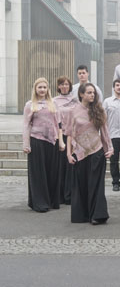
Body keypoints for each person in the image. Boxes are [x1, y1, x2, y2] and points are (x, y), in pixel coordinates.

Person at [67, 83, 113, 224]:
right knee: (81, 185)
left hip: (96, 152)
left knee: (96, 185)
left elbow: (105, 132)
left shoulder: (99, 110)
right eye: (89, 92)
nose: (92, 95)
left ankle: (97, 215)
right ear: (81, 94)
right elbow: (69, 134)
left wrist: (109, 148)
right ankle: (82, 215)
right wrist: (69, 154)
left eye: (93, 92)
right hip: (79, 153)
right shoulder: (73, 111)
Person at [23, 78, 65, 212]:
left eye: (44, 87)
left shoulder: (53, 104)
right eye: (40, 87)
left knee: (52, 172)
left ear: (48, 89)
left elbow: (59, 125)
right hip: (36, 141)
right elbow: (26, 125)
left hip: (52, 142)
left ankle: (52, 201)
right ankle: (40, 203)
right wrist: (26, 144)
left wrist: (61, 141)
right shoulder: (30, 105)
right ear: (35, 89)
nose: (42, 90)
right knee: (38, 173)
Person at [53, 76, 79, 205]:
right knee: (59, 166)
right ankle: (58, 195)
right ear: (58, 87)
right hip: (59, 135)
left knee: (70, 166)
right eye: (61, 84)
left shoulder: (75, 101)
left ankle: (69, 195)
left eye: (66, 84)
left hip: (72, 136)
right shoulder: (53, 101)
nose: (64, 86)